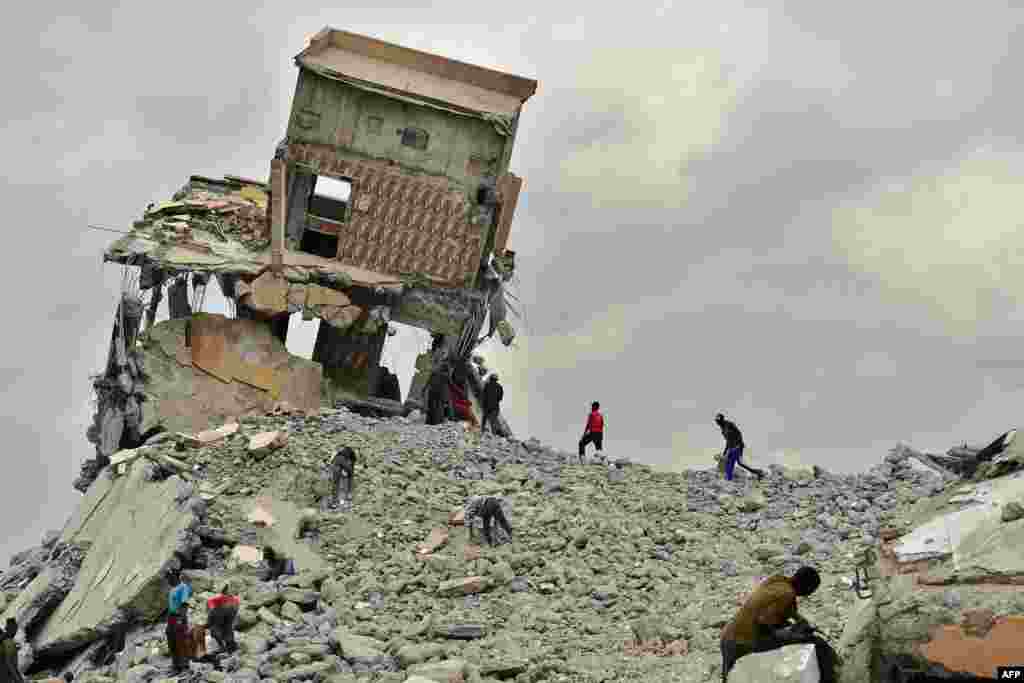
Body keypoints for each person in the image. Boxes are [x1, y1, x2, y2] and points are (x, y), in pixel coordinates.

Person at [719, 567, 837, 683]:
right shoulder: (787, 594)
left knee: (727, 675)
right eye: (811, 590)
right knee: (816, 643)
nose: (809, 594)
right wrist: (789, 634)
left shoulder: (777, 581)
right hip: (745, 641)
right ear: (807, 586)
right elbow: (763, 622)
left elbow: (772, 608)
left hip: (728, 637)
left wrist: (797, 623)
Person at [715, 413, 763, 481]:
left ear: (722, 420)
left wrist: (739, 444)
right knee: (738, 463)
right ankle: (758, 472)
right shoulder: (723, 429)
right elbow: (728, 441)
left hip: (737, 446)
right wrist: (725, 451)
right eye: (716, 421)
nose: (717, 423)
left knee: (731, 462)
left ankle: (729, 479)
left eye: (718, 421)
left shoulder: (729, 424)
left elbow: (739, 433)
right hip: (732, 447)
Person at [166, 578, 193, 673]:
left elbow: (184, 604)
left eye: (169, 576)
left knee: (180, 640)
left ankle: (184, 666)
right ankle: (176, 665)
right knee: (171, 640)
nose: (167, 579)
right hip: (171, 617)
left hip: (179, 617)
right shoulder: (172, 589)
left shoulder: (183, 587)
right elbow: (171, 605)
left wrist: (181, 619)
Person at [206, 582, 240, 654]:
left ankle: (226, 646)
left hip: (225, 617)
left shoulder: (233, 599)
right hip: (221, 616)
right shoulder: (224, 598)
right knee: (223, 631)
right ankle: (227, 647)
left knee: (223, 631)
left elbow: (210, 603)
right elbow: (210, 603)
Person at [425, 361, 452, 426]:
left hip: (432, 391)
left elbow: (428, 381)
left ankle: (429, 421)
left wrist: (424, 389)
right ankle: (437, 421)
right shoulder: (446, 375)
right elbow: (450, 384)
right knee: (439, 407)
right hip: (440, 393)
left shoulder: (434, 372)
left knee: (431, 406)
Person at [0, 618, 25, 683]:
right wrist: (19, 680)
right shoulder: (8, 642)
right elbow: (10, 665)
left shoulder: (7, 640)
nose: (16, 630)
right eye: (15, 628)